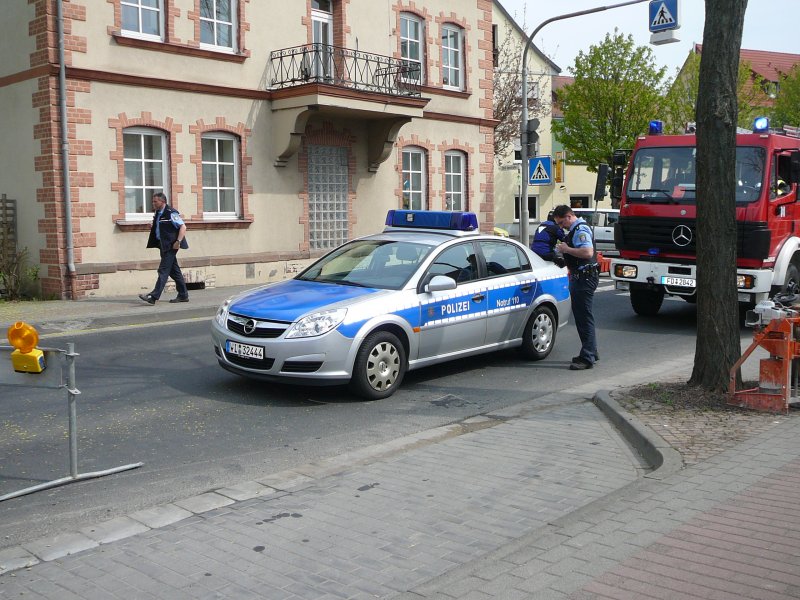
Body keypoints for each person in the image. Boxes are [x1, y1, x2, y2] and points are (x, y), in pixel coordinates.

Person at [553, 205, 599, 370]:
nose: (561, 227)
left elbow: (587, 252)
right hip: (582, 276)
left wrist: (567, 249)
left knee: (583, 317)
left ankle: (587, 357)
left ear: (568, 217)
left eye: (561, 223)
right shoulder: (575, 229)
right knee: (583, 316)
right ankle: (591, 351)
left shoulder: (580, 229)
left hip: (584, 278)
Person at [138, 192, 189, 305]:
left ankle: (153, 296)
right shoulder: (158, 213)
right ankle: (183, 295)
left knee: (163, 270)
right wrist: (154, 226)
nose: (153, 203)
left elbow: (183, 227)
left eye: (155, 201)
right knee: (174, 271)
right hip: (163, 245)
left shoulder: (171, 213)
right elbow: (162, 226)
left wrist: (178, 242)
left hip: (171, 246)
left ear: (162, 202)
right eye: (153, 201)